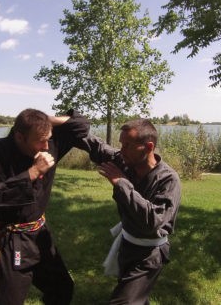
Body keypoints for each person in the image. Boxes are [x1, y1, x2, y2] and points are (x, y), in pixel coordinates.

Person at [0, 108, 89, 305]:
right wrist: (33, 172)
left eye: (48, 138)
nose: (46, 146)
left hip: (39, 235)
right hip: (13, 239)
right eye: (40, 140)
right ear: (20, 136)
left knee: (62, 288)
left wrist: (44, 120)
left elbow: (81, 125)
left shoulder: (48, 143)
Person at [78, 119, 181, 304]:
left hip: (150, 254)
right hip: (127, 246)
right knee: (137, 298)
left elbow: (152, 221)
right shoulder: (125, 161)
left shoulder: (167, 179)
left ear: (148, 147)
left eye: (127, 145)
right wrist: (69, 124)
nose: (121, 150)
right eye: (121, 144)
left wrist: (121, 183)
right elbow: (97, 147)